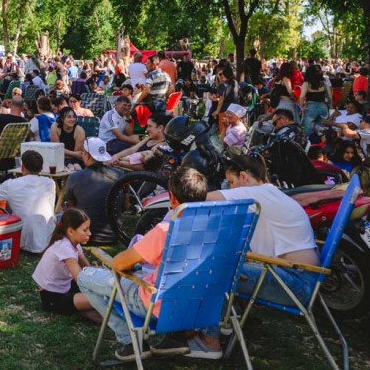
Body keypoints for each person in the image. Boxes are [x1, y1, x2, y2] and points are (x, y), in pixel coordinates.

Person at [77, 167, 210, 361]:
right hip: (197, 305)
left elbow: (119, 263)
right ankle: (176, 335)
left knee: (85, 276)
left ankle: (130, 341)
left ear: (172, 198)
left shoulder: (166, 230)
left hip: (156, 305)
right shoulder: (217, 231)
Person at [204, 155, 319, 354]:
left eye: (231, 182)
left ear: (244, 177)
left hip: (294, 283)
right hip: (300, 277)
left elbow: (205, 198)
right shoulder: (273, 193)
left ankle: (209, 340)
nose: (231, 188)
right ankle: (226, 324)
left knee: (212, 269)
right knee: (230, 260)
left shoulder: (257, 193)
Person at [31, 208, 103, 323]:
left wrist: (97, 274)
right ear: (70, 231)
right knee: (101, 299)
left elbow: (87, 268)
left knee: (100, 296)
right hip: (52, 297)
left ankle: (85, 309)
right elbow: (81, 279)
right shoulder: (64, 247)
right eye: (85, 230)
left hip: (66, 286)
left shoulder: (73, 243)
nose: (89, 233)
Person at [62, 137, 124, 244]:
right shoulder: (119, 174)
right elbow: (125, 206)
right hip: (114, 235)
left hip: (84, 237)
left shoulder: (74, 177)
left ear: (86, 155)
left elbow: (71, 210)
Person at [0, 150, 56, 253]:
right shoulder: (50, 183)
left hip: (23, 240)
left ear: (22, 167)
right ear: (41, 168)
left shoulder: (10, 184)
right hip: (48, 239)